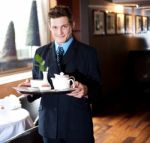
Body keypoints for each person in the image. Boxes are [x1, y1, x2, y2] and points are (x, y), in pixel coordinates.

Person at [20, 5, 101, 143]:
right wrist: (29, 90)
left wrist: (86, 90)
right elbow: (39, 85)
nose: (60, 32)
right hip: (49, 126)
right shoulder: (40, 53)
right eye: (55, 27)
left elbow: (98, 88)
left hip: (77, 126)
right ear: (50, 27)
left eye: (64, 26)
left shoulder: (88, 53)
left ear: (72, 24)